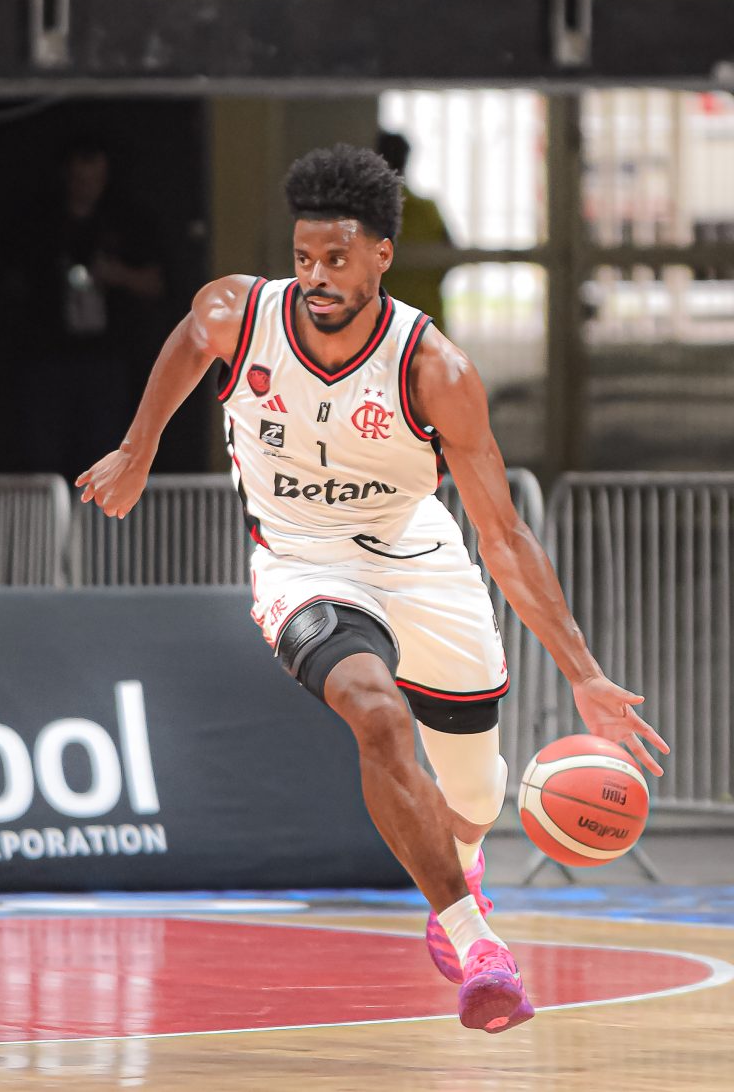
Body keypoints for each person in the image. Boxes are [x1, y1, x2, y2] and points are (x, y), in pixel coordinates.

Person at [76, 143, 669, 1034]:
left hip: (417, 555)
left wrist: (583, 673)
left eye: (336, 258)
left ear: (381, 256)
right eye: (303, 256)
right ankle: (479, 947)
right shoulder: (241, 314)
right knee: (377, 713)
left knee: (476, 797)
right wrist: (138, 446)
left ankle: (462, 861)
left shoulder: (434, 368)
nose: (315, 276)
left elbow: (505, 538)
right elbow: (189, 340)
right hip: (302, 564)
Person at [21, 139, 166, 477]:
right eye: (80, 179)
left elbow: (158, 283)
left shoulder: (125, 222)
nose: (87, 187)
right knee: (45, 454)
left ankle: (98, 513)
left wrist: (117, 275)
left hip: (106, 358)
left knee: (103, 450)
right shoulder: (42, 224)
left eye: (94, 179)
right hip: (49, 356)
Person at [375, 129, 456, 335]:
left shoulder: (366, 217)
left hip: (382, 329)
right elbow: (450, 257)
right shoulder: (428, 211)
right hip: (426, 325)